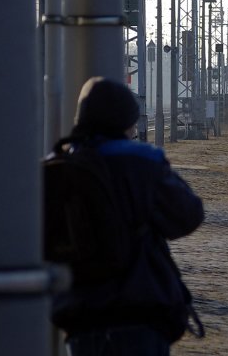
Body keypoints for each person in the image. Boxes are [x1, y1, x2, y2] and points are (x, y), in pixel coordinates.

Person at [50, 77, 205, 355]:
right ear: (126, 122)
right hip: (138, 312)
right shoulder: (142, 162)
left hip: (80, 315)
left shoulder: (62, 165)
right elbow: (188, 215)